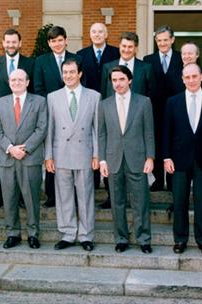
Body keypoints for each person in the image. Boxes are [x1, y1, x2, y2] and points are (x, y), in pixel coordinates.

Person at [162, 63, 202, 255]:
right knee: (179, 201)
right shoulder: (173, 102)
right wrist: (166, 157)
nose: (191, 80)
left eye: (194, 76)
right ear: (182, 79)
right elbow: (167, 132)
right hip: (178, 159)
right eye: (187, 77)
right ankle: (180, 239)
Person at [45, 58, 100, 251]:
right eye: (65, 72)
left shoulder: (94, 96)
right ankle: (68, 233)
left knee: (86, 195)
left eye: (71, 72)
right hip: (61, 154)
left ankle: (86, 235)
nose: (68, 76)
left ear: (80, 73)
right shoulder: (53, 97)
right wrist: (48, 156)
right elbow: (50, 129)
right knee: (64, 196)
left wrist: (96, 155)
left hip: (84, 153)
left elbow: (96, 128)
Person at [98, 65, 155, 254]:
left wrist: (150, 157)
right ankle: (121, 238)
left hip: (137, 158)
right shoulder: (104, 104)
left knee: (141, 201)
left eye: (121, 79)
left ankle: (143, 238)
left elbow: (149, 132)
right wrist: (103, 161)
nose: (117, 83)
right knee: (117, 202)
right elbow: (101, 134)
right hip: (114, 160)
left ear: (129, 80)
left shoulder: (144, 102)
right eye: (114, 80)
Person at [0, 69, 47, 249]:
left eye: (20, 80)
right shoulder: (0, 103)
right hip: (7, 158)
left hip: (29, 158)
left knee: (31, 198)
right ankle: (12, 233)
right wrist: (10, 148)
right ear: (9, 83)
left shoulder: (39, 102)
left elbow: (41, 128)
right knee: (9, 198)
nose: (16, 83)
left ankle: (33, 233)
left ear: (27, 82)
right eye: (13, 80)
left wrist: (26, 148)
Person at [100, 31, 154, 209]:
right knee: (117, 196)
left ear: (136, 48)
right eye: (123, 46)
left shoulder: (145, 68)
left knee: (139, 196)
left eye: (130, 47)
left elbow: (149, 94)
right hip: (115, 131)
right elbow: (104, 94)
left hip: (135, 130)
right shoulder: (108, 67)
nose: (126, 49)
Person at [33, 25, 81, 208]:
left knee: (74, 152)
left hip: (74, 113)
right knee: (53, 152)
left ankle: (76, 194)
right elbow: (38, 89)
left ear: (66, 40)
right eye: (53, 41)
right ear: (49, 43)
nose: (57, 44)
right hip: (51, 113)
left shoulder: (77, 59)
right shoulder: (41, 61)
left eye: (60, 40)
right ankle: (52, 196)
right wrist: (53, 106)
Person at [0, 28, 34, 208]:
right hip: (3, 116)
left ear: (19, 43)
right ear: (3, 43)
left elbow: (33, 90)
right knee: (3, 155)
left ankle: (23, 196)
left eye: (14, 42)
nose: (11, 45)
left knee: (23, 155)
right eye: (8, 42)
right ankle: (2, 195)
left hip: (24, 117)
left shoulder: (30, 63)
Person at [76, 22, 120, 190]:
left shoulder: (116, 53)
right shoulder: (81, 55)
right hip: (88, 105)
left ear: (106, 34)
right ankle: (93, 183)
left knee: (110, 144)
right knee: (92, 142)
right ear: (90, 34)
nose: (97, 34)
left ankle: (111, 187)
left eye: (100, 31)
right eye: (93, 31)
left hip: (111, 105)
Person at [143, 25, 183, 192]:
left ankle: (174, 181)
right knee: (158, 143)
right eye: (159, 40)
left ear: (172, 40)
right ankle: (158, 180)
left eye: (165, 40)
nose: (162, 43)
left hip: (177, 110)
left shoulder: (182, 58)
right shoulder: (148, 60)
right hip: (155, 110)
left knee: (175, 144)